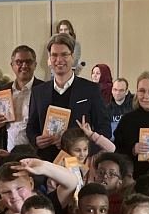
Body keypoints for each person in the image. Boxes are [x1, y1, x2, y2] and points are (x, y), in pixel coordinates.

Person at [27, 33, 111, 162]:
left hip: (80, 164)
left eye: (64, 55)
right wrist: (36, 140)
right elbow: (31, 126)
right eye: (54, 55)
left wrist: (83, 148)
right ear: (49, 59)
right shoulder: (38, 91)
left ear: (73, 57)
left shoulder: (90, 89)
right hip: (48, 162)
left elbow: (104, 128)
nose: (59, 60)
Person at [0, 45, 45, 152]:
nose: (24, 65)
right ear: (12, 65)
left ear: (35, 65)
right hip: (9, 153)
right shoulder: (1, 92)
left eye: (28, 62)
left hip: (37, 153)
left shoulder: (44, 90)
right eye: (19, 62)